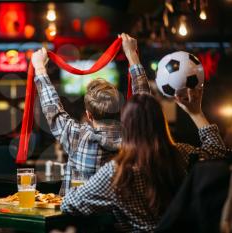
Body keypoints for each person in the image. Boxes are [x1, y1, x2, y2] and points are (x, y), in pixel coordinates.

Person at [61, 87, 227, 232]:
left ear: (126, 126)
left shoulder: (117, 171)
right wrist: (196, 113)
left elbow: (69, 203)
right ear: (162, 122)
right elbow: (219, 153)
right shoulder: (181, 153)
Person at [31, 33, 150, 195]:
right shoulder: (135, 137)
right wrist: (132, 55)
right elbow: (144, 104)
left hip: (75, 218)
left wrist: (39, 68)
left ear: (89, 115)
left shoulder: (77, 137)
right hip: (118, 219)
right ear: (120, 110)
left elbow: (52, 108)